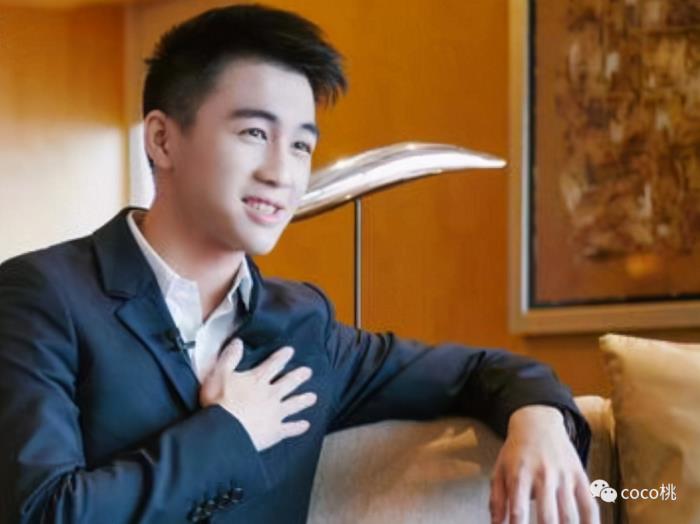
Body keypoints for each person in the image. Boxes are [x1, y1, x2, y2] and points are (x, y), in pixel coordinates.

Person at [0, 5, 598, 524]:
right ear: (161, 138)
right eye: (254, 133)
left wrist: (540, 419)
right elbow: (42, 511)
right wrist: (230, 434)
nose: (281, 173)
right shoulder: (42, 297)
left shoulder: (301, 326)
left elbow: (479, 371)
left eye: (301, 145)